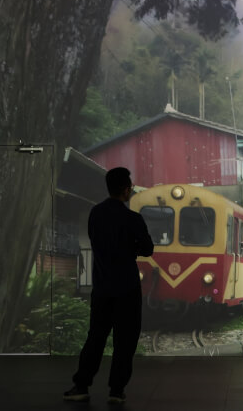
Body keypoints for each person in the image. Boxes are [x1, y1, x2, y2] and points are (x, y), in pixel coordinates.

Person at [64, 167, 154, 404]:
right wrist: (130, 249)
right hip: (128, 289)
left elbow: (96, 242)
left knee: (95, 337)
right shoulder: (133, 219)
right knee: (125, 341)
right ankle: (116, 390)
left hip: (103, 287)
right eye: (130, 187)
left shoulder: (96, 214)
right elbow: (148, 249)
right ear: (126, 190)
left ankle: (81, 385)